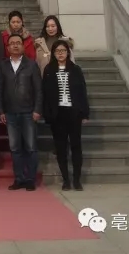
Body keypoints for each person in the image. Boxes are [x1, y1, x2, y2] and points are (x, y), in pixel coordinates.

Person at [0, 33, 43, 191]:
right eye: (12, 43)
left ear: (23, 46)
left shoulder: (31, 65)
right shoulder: (3, 65)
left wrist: (37, 109)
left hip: (29, 112)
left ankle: (30, 179)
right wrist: (1, 110)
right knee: (15, 148)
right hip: (10, 113)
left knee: (30, 147)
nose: (15, 45)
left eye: (18, 43)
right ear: (8, 47)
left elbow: (39, 90)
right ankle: (19, 178)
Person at [42, 40, 89, 191]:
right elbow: (45, 94)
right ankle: (66, 180)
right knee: (61, 148)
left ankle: (77, 180)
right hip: (58, 114)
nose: (60, 53)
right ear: (53, 54)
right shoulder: (49, 70)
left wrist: (85, 113)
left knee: (76, 146)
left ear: (68, 52)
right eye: (57, 51)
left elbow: (82, 92)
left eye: (63, 50)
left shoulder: (75, 69)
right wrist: (47, 114)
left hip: (73, 112)